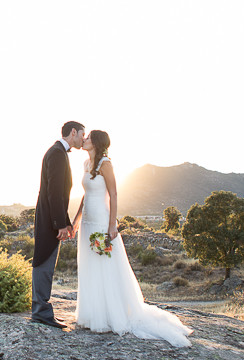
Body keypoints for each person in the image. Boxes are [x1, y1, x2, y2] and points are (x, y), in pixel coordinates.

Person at [72, 130, 192, 347]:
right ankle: (93, 314)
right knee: (90, 265)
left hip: (101, 221)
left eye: (89, 137)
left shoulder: (105, 164)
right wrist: (76, 220)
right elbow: (85, 195)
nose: (85, 139)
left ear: (97, 142)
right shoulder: (85, 164)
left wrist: (112, 225)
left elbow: (114, 194)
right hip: (87, 223)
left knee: (104, 265)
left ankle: (111, 315)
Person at [32, 121, 85, 329]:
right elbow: (54, 192)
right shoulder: (56, 153)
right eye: (82, 134)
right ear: (73, 132)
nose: (83, 138)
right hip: (48, 219)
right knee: (43, 262)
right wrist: (59, 224)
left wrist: (65, 221)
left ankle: (41, 310)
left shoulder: (58, 152)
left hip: (51, 217)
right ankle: (40, 311)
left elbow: (60, 194)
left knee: (46, 262)